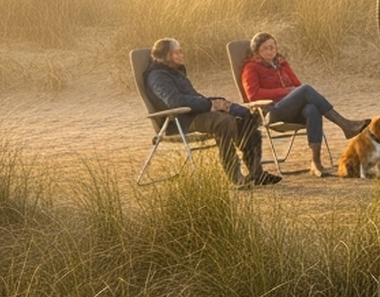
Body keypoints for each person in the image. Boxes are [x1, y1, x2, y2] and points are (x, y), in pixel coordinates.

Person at [146, 38, 280, 187]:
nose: (182, 55)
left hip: (194, 115)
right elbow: (175, 102)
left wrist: (219, 103)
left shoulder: (175, 73)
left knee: (245, 116)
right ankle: (236, 178)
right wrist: (209, 104)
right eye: (177, 52)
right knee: (223, 121)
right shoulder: (157, 77)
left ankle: (257, 173)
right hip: (178, 121)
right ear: (166, 56)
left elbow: (193, 97)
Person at [240, 32, 364, 178]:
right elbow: (253, 95)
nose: (271, 51)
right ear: (257, 51)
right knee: (306, 89)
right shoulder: (251, 68)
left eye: (273, 47)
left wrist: (293, 93)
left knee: (312, 109)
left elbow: (297, 87)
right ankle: (345, 124)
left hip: (290, 110)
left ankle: (316, 163)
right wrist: (285, 91)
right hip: (271, 111)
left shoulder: (282, 64)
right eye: (266, 48)